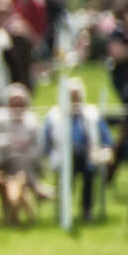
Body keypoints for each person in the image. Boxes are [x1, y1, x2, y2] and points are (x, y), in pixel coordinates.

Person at [44, 79, 113, 222]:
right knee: (73, 160)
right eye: (70, 96)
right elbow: (46, 142)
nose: (74, 99)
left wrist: (104, 151)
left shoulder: (92, 114)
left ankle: (86, 209)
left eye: (77, 96)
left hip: (89, 157)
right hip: (62, 157)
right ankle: (65, 207)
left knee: (88, 168)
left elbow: (107, 139)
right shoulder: (54, 115)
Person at [0, 84, 46, 226]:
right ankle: (37, 188)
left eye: (20, 103)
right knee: (17, 161)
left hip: (26, 161)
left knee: (21, 160)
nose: (17, 106)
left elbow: (40, 146)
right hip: (0, 162)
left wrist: (26, 149)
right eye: (14, 102)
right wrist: (7, 142)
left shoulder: (32, 120)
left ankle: (31, 189)